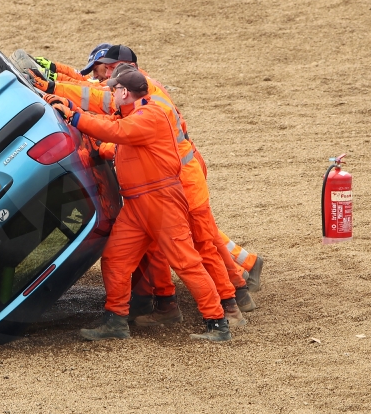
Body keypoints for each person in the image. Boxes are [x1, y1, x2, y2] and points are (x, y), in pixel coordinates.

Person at [28, 46, 262, 311]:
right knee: (172, 246)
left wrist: (56, 91)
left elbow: (104, 110)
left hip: (177, 182)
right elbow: (91, 90)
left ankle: (229, 301)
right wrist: (58, 74)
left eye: (102, 72)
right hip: (165, 182)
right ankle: (172, 301)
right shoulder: (136, 90)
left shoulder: (145, 109)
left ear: (116, 70)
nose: (103, 81)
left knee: (200, 243)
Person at [46, 66, 233, 342]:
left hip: (160, 201)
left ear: (125, 92)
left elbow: (115, 131)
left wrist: (74, 116)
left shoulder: (149, 117)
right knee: (115, 258)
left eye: (114, 89)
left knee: (186, 262)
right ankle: (115, 319)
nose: (110, 93)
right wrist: (73, 108)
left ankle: (217, 322)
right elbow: (117, 137)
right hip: (137, 203)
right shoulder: (137, 114)